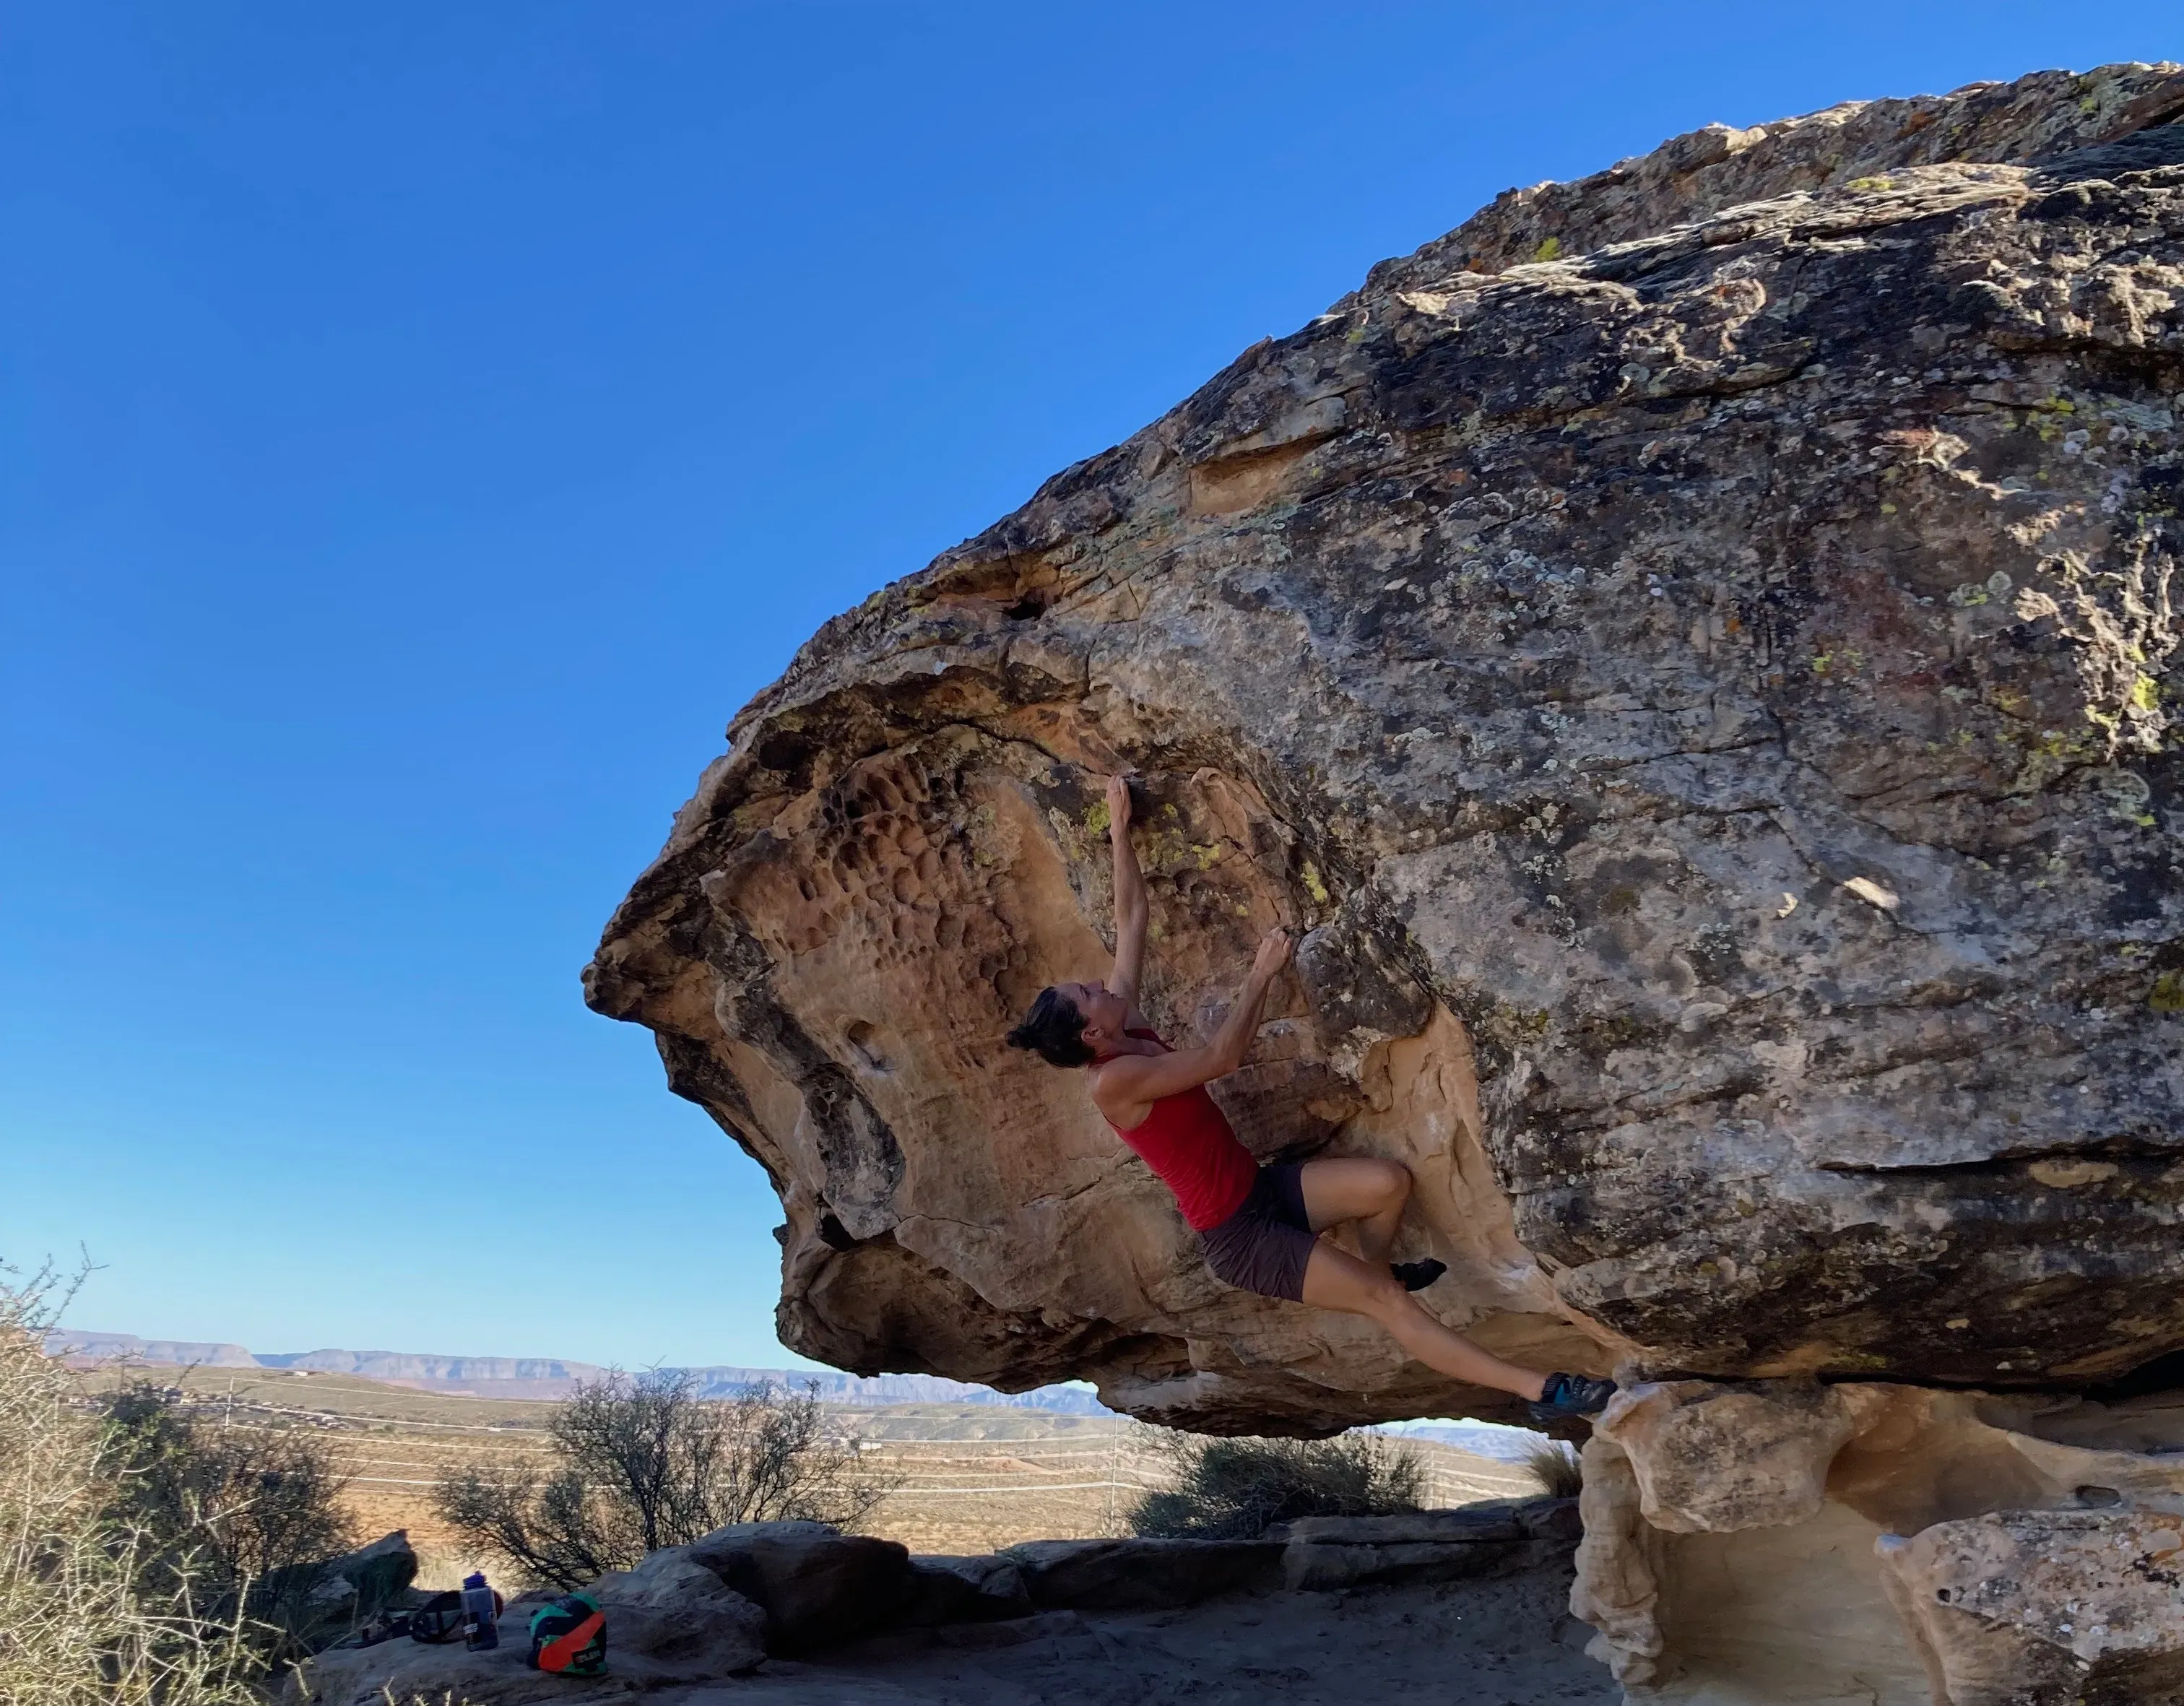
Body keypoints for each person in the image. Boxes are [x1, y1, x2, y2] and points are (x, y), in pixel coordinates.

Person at [1005, 774, 1615, 1424]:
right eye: (1089, 993)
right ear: (1092, 1032)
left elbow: (1131, 918)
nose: (1101, 984)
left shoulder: (1121, 1027)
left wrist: (1119, 832)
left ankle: (1375, 1267)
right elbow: (1222, 1059)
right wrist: (1261, 976)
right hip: (1242, 1238)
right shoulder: (1113, 1081)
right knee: (1392, 1309)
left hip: (1263, 1192)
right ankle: (1546, 1392)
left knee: (1386, 1183)